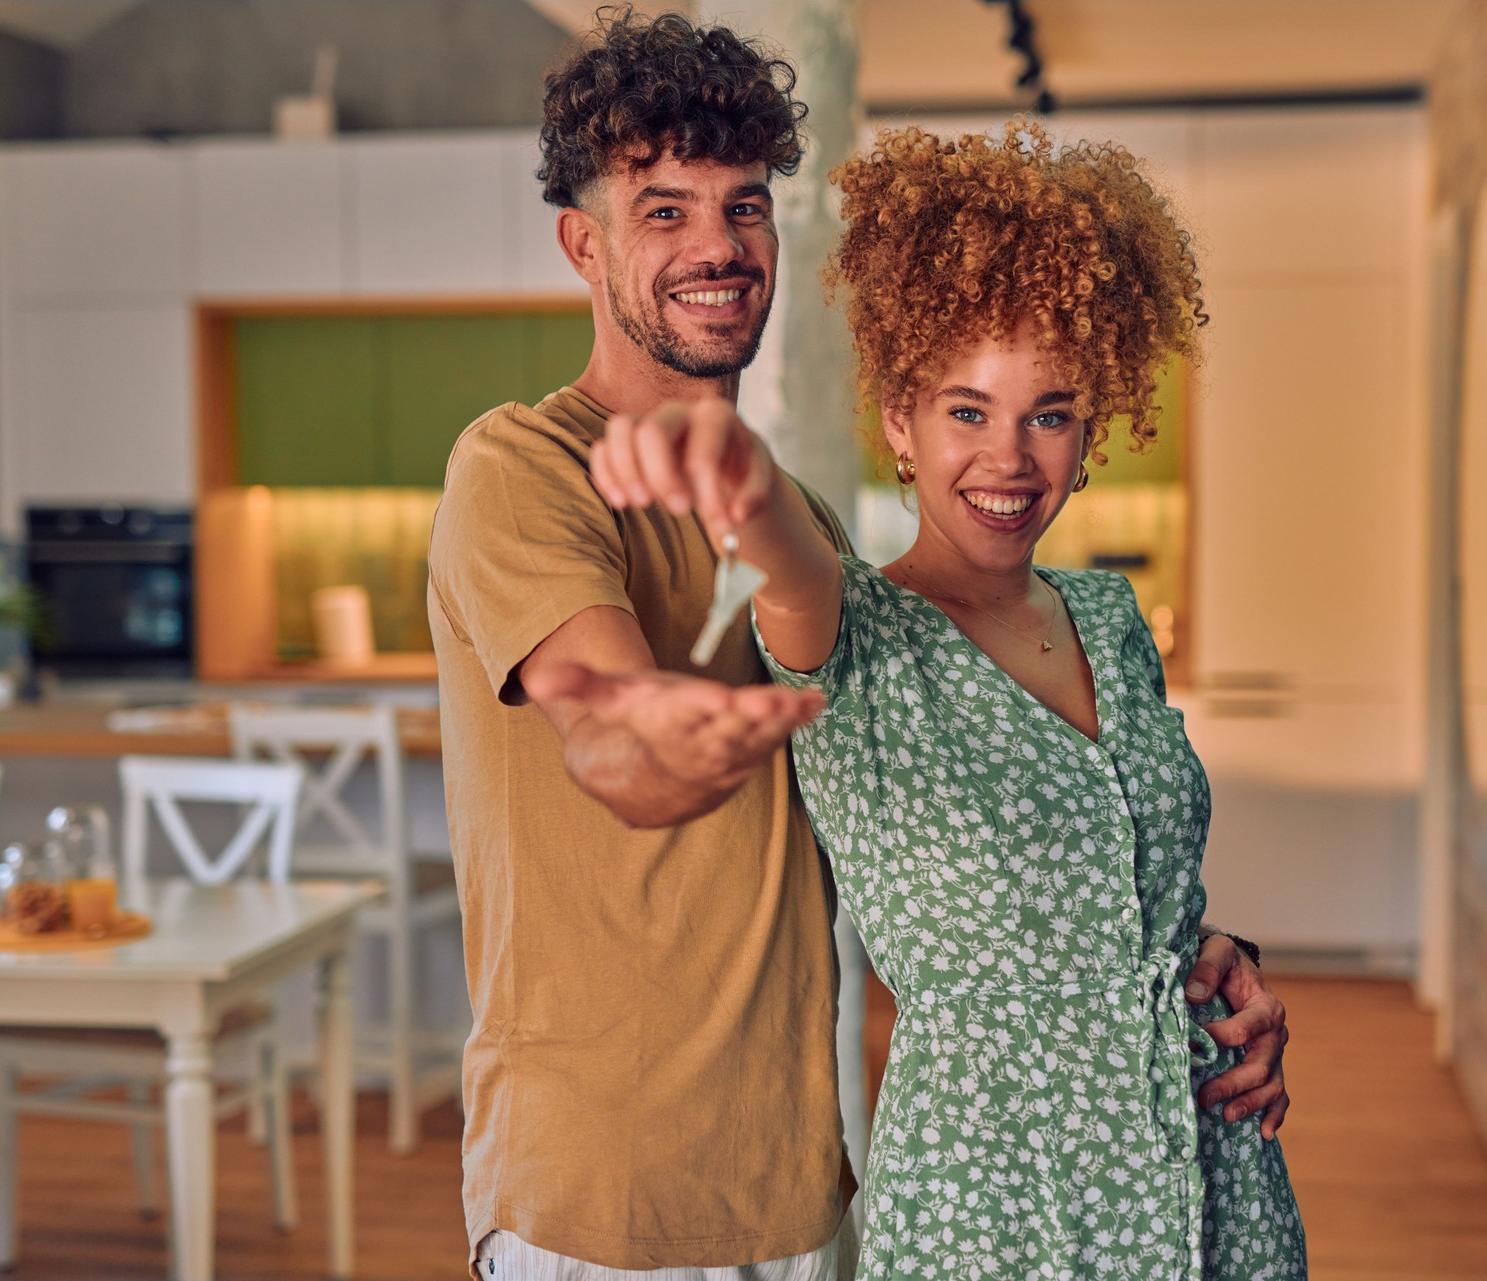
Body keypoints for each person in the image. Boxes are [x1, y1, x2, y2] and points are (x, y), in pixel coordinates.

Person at [428, 9, 1291, 1278]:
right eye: (663, 210)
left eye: (744, 205)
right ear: (583, 241)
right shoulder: (523, 468)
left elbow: (978, 839)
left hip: (803, 1185)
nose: (716, 245)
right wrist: (650, 740)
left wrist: (1191, 962)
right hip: (602, 1198)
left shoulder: (825, 537)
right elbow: (609, 732)